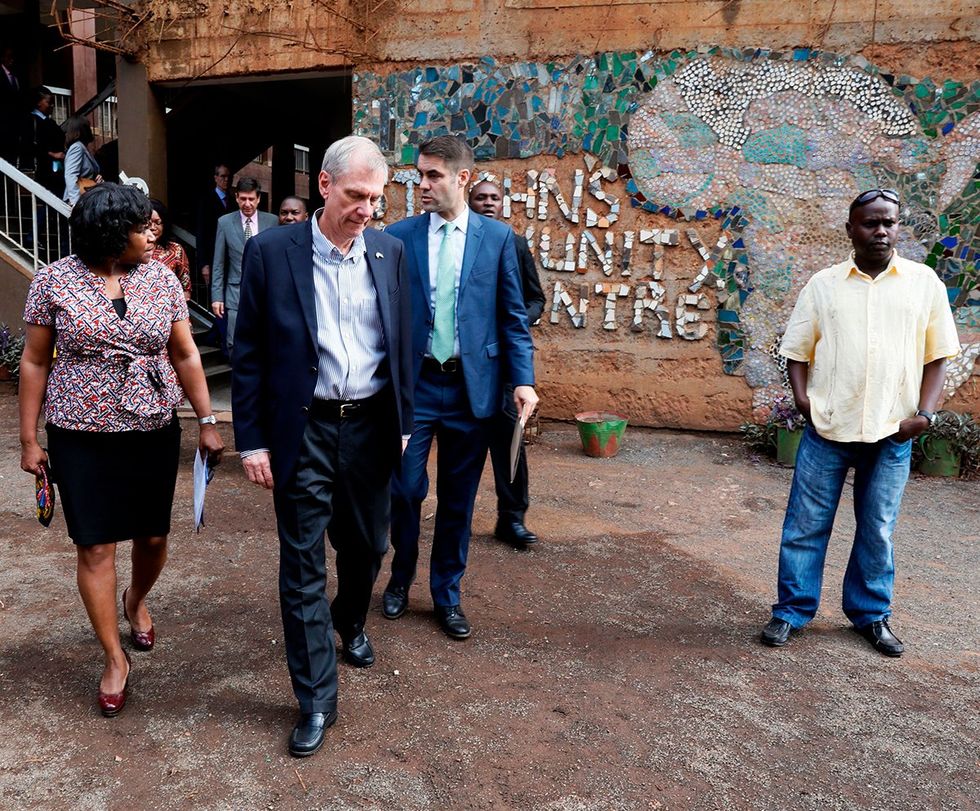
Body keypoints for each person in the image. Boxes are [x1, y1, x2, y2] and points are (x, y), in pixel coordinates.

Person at [232, 135, 412, 758]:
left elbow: (403, 339)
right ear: (325, 186)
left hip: (370, 428)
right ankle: (315, 698)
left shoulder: (391, 254)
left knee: (368, 546)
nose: (367, 208)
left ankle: (351, 618)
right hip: (302, 430)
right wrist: (250, 439)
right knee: (302, 563)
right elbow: (248, 352)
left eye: (376, 198)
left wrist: (406, 421)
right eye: (357, 195)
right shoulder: (270, 251)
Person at [18, 183, 225, 717]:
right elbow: (36, 361)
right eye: (141, 228)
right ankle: (114, 657)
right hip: (80, 432)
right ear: (113, 235)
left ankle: (136, 599)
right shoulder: (53, 281)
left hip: (151, 425)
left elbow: (184, 352)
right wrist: (28, 438)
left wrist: (206, 419)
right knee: (94, 545)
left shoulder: (160, 277)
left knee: (152, 534)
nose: (151, 234)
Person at [760, 189, 960, 657]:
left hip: (893, 432)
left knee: (878, 527)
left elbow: (938, 356)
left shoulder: (923, 283)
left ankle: (871, 615)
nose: (881, 231)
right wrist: (803, 399)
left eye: (889, 222)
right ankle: (791, 611)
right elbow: (797, 348)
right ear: (851, 229)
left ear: (898, 226)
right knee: (806, 525)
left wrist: (925, 416)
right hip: (829, 429)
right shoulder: (824, 285)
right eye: (870, 223)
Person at [382, 136, 537, 640]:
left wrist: (523, 380)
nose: (421, 184)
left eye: (432, 176)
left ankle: (446, 593)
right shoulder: (399, 237)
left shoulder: (497, 239)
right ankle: (400, 578)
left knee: (458, 499)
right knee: (404, 490)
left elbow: (513, 318)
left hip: (474, 389)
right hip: (416, 386)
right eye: (419, 175)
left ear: (462, 178)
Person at [468, 179, 545, 547]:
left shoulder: (513, 242)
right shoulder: (457, 242)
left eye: (493, 198)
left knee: (509, 441)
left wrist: (513, 320)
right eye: (480, 197)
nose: (487, 203)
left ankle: (511, 518)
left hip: (503, 367)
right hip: (463, 364)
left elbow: (535, 299)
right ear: (469, 200)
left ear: (502, 203)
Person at [210, 177, 277, 359]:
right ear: (237, 197)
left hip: (265, 292)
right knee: (233, 341)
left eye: (251, 199)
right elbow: (218, 263)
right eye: (243, 199)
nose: (247, 204)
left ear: (258, 199)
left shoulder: (272, 222)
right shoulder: (224, 222)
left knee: (265, 339)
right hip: (234, 292)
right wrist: (217, 296)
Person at [195, 163, 232, 298]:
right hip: (212, 257)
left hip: (230, 259)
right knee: (215, 298)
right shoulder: (206, 200)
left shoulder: (233, 201)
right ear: (215, 178)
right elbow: (201, 233)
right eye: (223, 176)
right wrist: (204, 264)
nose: (226, 179)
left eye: (228, 176)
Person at [20, 86, 64, 197]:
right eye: (49, 102)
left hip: (53, 170)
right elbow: (29, 145)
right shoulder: (30, 121)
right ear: (39, 103)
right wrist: (52, 154)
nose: (52, 106)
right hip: (40, 169)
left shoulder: (50, 122)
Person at [148, 199, 192, 299]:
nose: (153, 227)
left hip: (170, 308)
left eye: (158, 223)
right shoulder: (133, 251)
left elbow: (185, 288)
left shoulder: (175, 249)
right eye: (148, 223)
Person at [62, 115, 102, 206]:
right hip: (78, 199)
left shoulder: (83, 148)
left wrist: (96, 181)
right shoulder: (77, 147)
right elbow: (70, 175)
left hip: (85, 197)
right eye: (87, 127)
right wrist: (76, 203)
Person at [0, 46, 23, 164]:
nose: (11, 60)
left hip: (14, 123)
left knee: (12, 155)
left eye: (13, 57)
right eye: (9, 57)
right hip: (3, 121)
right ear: (3, 58)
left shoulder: (15, 77)